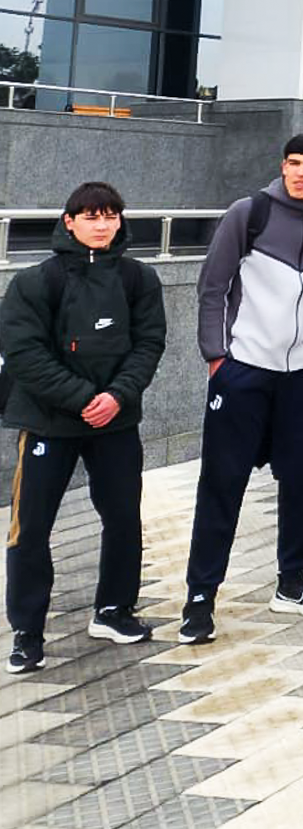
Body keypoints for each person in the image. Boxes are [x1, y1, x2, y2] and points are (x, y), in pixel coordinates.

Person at [180, 133, 303, 644]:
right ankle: (200, 598)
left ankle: (293, 583)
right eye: (293, 162)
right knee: (222, 484)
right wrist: (216, 357)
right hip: (245, 369)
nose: (300, 172)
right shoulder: (249, 212)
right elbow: (212, 287)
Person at [2, 183, 165, 673]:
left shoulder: (139, 279)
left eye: (110, 216)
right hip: (49, 423)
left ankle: (114, 611)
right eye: (91, 216)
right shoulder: (35, 282)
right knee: (31, 528)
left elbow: (149, 344)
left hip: (115, 422)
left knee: (123, 517)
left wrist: (116, 397)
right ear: (69, 222)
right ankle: (28, 632)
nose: (102, 225)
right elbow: (25, 354)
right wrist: (82, 399)